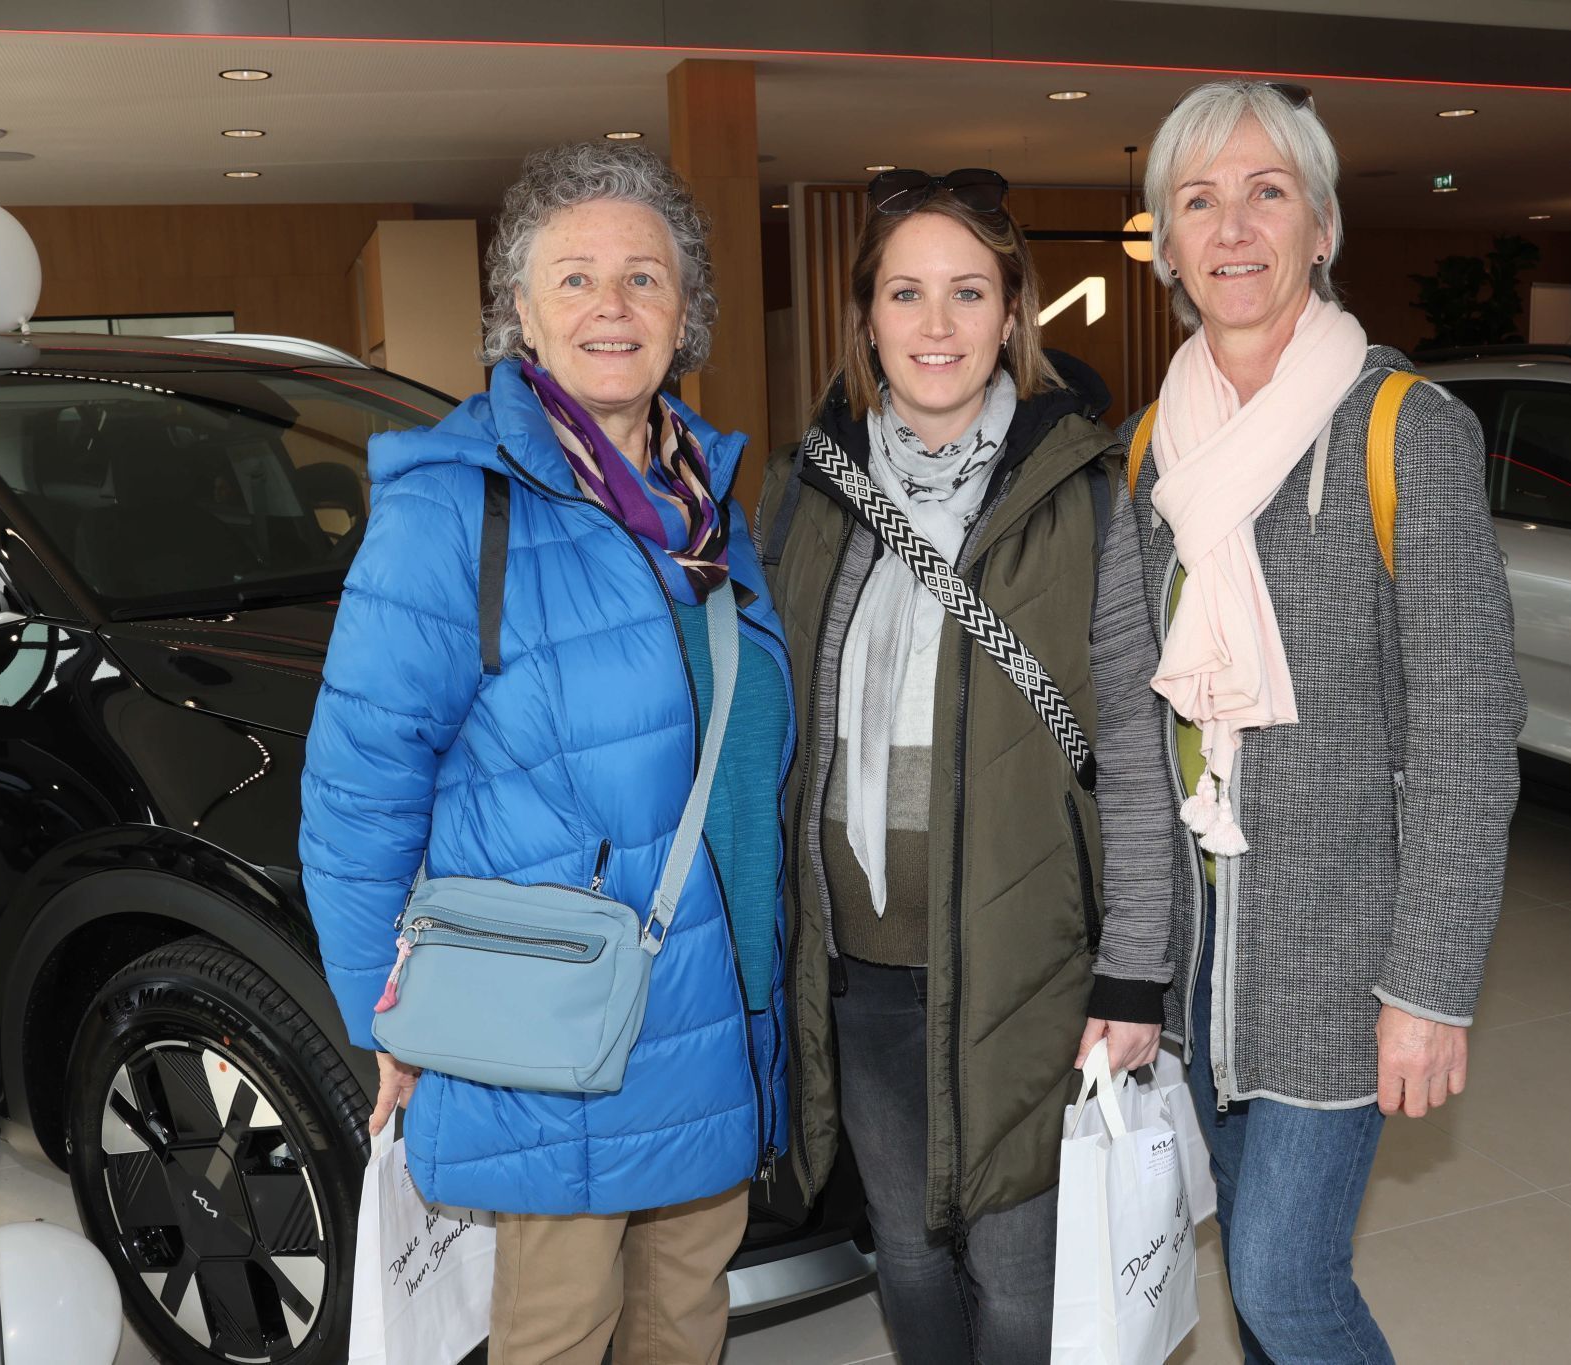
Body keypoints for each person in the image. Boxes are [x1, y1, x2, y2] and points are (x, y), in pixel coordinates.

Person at [299, 140, 794, 1365]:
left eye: (642, 278)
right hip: (555, 1022)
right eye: (573, 279)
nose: (610, 306)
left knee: (685, 1317)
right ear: (519, 313)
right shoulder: (452, 509)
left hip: (714, 999)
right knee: (561, 1329)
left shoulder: (710, 507)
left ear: (685, 312)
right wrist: (386, 1013)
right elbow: (357, 791)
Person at [1119, 79, 1525, 1362]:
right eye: (1198, 201)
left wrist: (1428, 990)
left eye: (1266, 193)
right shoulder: (1151, 451)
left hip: (1339, 956)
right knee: (1248, 1274)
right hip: (1192, 963)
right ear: (1166, 245)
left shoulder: (1405, 431)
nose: (1233, 228)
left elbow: (1464, 738)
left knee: (1284, 1283)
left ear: (1322, 227)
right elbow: (1137, 731)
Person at [757, 168, 1178, 1363]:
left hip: (1027, 956)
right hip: (857, 960)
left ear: (1011, 315)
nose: (934, 325)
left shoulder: (1085, 499)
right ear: (866, 319)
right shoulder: (804, 492)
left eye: (966, 293)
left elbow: (1132, 752)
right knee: (901, 1247)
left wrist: (1133, 974)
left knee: (1018, 1276)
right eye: (904, 293)